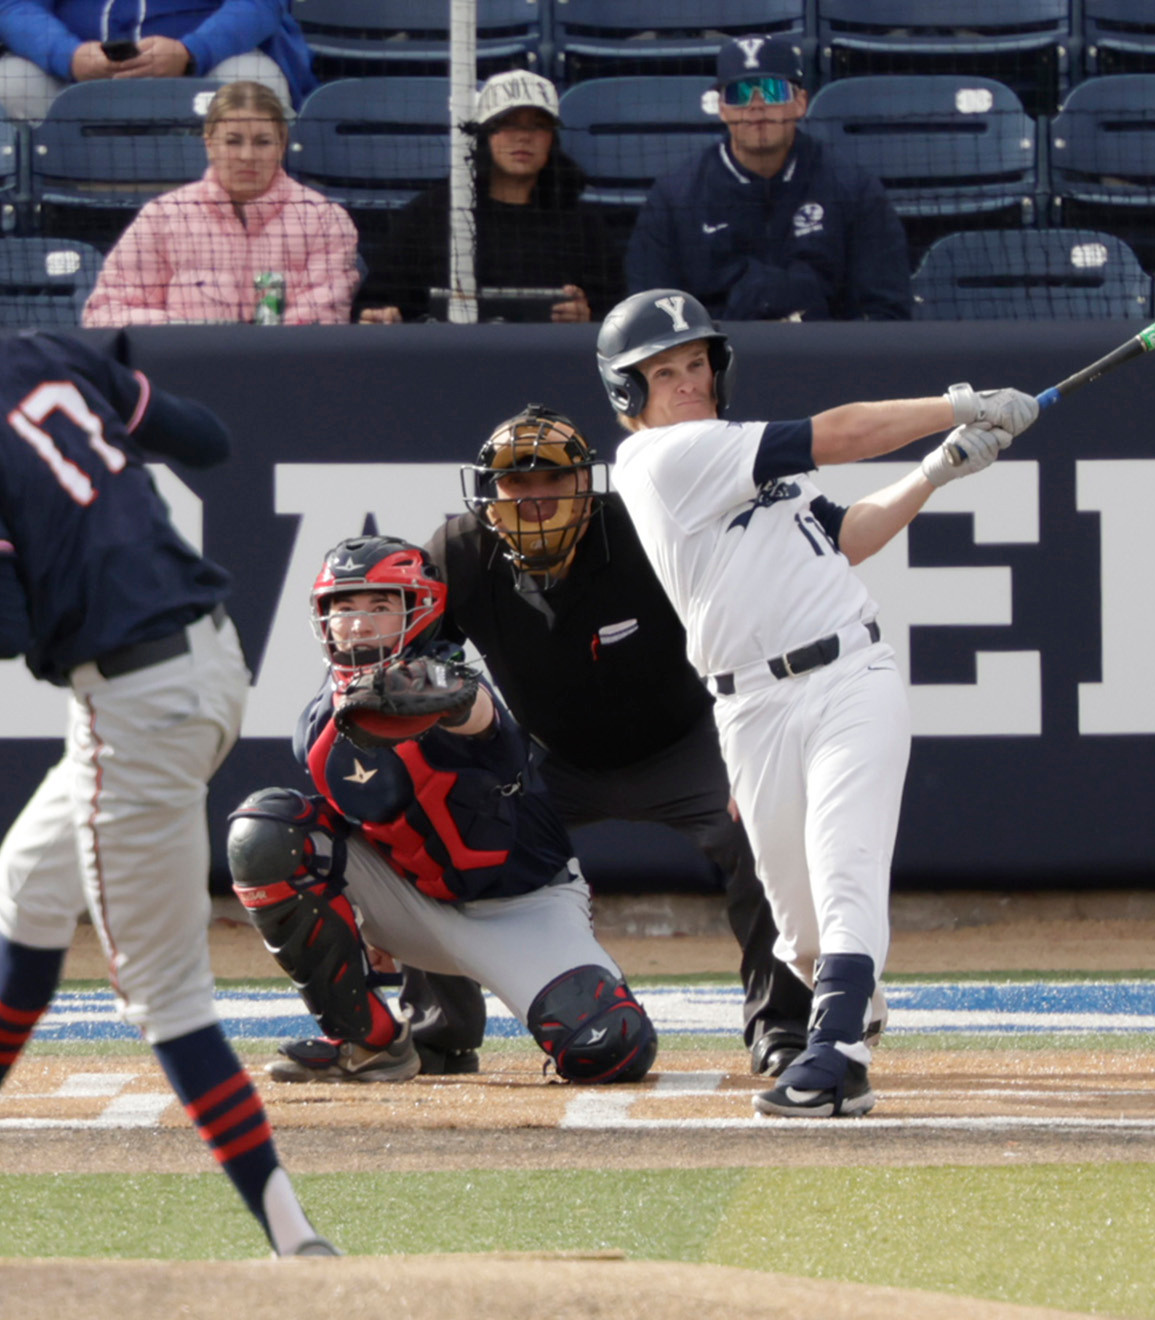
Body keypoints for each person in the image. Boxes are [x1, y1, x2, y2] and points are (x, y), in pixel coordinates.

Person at [0, 205, 336, 1258]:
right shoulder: (44, 353)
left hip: (136, 704)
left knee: (168, 997)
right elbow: (207, 440)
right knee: (30, 891)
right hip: (208, 658)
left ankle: (297, 1242)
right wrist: (112, 399)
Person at [595, 287, 1036, 1117]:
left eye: (696, 363)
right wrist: (956, 404)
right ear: (629, 393)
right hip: (750, 707)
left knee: (845, 868)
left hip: (850, 676)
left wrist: (935, 470)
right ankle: (853, 1014)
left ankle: (834, 1055)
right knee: (798, 931)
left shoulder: (732, 453)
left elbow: (849, 535)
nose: (688, 381)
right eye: (664, 372)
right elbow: (838, 435)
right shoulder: (663, 461)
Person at [369, 405, 813, 1080]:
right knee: (433, 829)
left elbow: (741, 631)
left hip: (684, 740)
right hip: (546, 759)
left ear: (587, 483)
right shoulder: (459, 551)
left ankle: (781, 1028)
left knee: (763, 834)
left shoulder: (644, 528)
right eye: (516, 485)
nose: (535, 498)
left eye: (553, 479)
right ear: (489, 495)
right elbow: (412, 682)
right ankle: (439, 1033)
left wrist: (749, 752)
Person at [226, 535, 658, 1088]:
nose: (356, 624)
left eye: (379, 606)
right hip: (415, 902)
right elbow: (359, 829)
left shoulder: (454, 685)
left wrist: (444, 693)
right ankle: (367, 1041)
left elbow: (473, 713)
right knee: (265, 832)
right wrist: (365, 926)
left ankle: (481, 1015)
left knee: (611, 1051)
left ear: (419, 610)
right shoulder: (316, 723)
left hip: (523, 908)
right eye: (344, 607)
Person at [625, 36, 911, 323]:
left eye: (772, 91)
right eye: (740, 93)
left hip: (825, 354)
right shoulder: (675, 197)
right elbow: (653, 316)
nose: (756, 106)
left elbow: (886, 310)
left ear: (800, 103)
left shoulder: (853, 189)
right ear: (722, 108)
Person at [354, 70, 621, 325]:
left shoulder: (583, 224)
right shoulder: (431, 214)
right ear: (483, 136)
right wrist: (380, 316)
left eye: (538, 126)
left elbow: (618, 316)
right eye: (506, 124)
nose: (523, 137)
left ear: (552, 139)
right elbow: (376, 301)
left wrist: (587, 318)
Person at [82, 81, 357, 327]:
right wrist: (188, 332)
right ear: (209, 144)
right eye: (233, 142)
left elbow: (326, 317)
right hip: (181, 370)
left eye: (262, 142)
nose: (247, 156)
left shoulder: (324, 219)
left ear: (281, 145)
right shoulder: (163, 216)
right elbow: (104, 312)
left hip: (282, 370)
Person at [0, 0, 315, 123]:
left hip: (200, 70)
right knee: (4, 89)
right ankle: (25, 235)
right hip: (73, 70)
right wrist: (68, 56)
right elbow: (14, 6)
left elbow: (260, 5)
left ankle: (258, 233)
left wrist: (192, 53)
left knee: (255, 84)